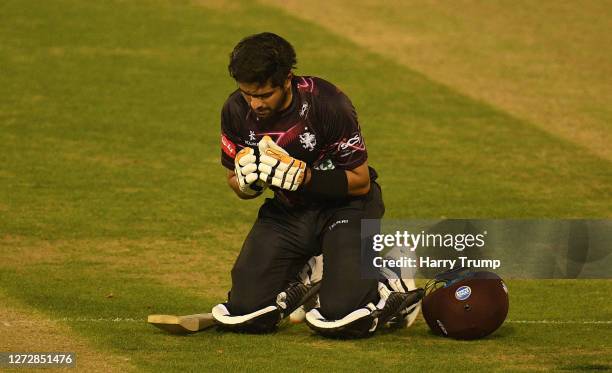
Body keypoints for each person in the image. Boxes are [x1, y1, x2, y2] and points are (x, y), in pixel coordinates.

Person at [211, 32, 423, 338]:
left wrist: (304, 177)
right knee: (246, 311)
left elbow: (361, 183)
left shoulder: (328, 104)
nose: (255, 104)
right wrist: (248, 184)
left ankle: (392, 277)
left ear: (287, 80)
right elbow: (234, 181)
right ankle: (314, 270)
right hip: (289, 213)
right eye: (248, 94)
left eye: (264, 95)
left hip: (346, 209)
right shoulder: (235, 110)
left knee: (343, 316)